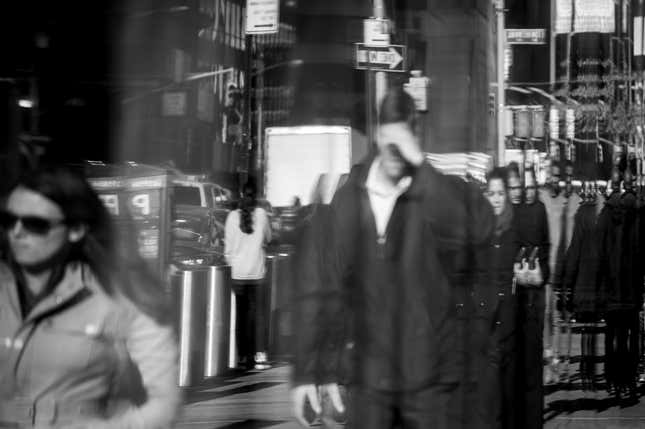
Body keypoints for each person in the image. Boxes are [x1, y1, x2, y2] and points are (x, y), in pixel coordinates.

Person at [291, 88, 495, 428]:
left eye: (406, 139)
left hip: (430, 381)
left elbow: (480, 228)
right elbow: (323, 287)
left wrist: (422, 167)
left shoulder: (433, 193)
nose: (396, 151)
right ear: (378, 135)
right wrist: (310, 372)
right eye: (390, 138)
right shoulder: (349, 201)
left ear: (415, 138)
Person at [0, 164, 180, 428]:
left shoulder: (122, 298)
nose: (16, 232)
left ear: (75, 230)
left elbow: (164, 406)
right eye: (7, 221)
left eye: (35, 224)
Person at [478, 167, 521, 429]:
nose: (495, 199)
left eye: (500, 193)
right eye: (491, 193)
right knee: (489, 398)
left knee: (507, 397)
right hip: (484, 324)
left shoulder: (514, 231)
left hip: (509, 322)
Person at [512, 166, 550, 429]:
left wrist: (542, 273)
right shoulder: (508, 212)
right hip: (513, 294)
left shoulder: (539, 209)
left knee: (532, 363)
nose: (525, 190)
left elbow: (546, 246)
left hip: (534, 293)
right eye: (519, 186)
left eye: (528, 185)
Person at [225, 180, 272, 370]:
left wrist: (232, 262)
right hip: (257, 272)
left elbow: (227, 248)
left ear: (241, 194)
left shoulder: (231, 217)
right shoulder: (261, 215)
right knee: (259, 316)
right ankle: (259, 355)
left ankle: (243, 356)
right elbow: (268, 238)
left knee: (241, 317)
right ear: (258, 195)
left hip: (237, 273)